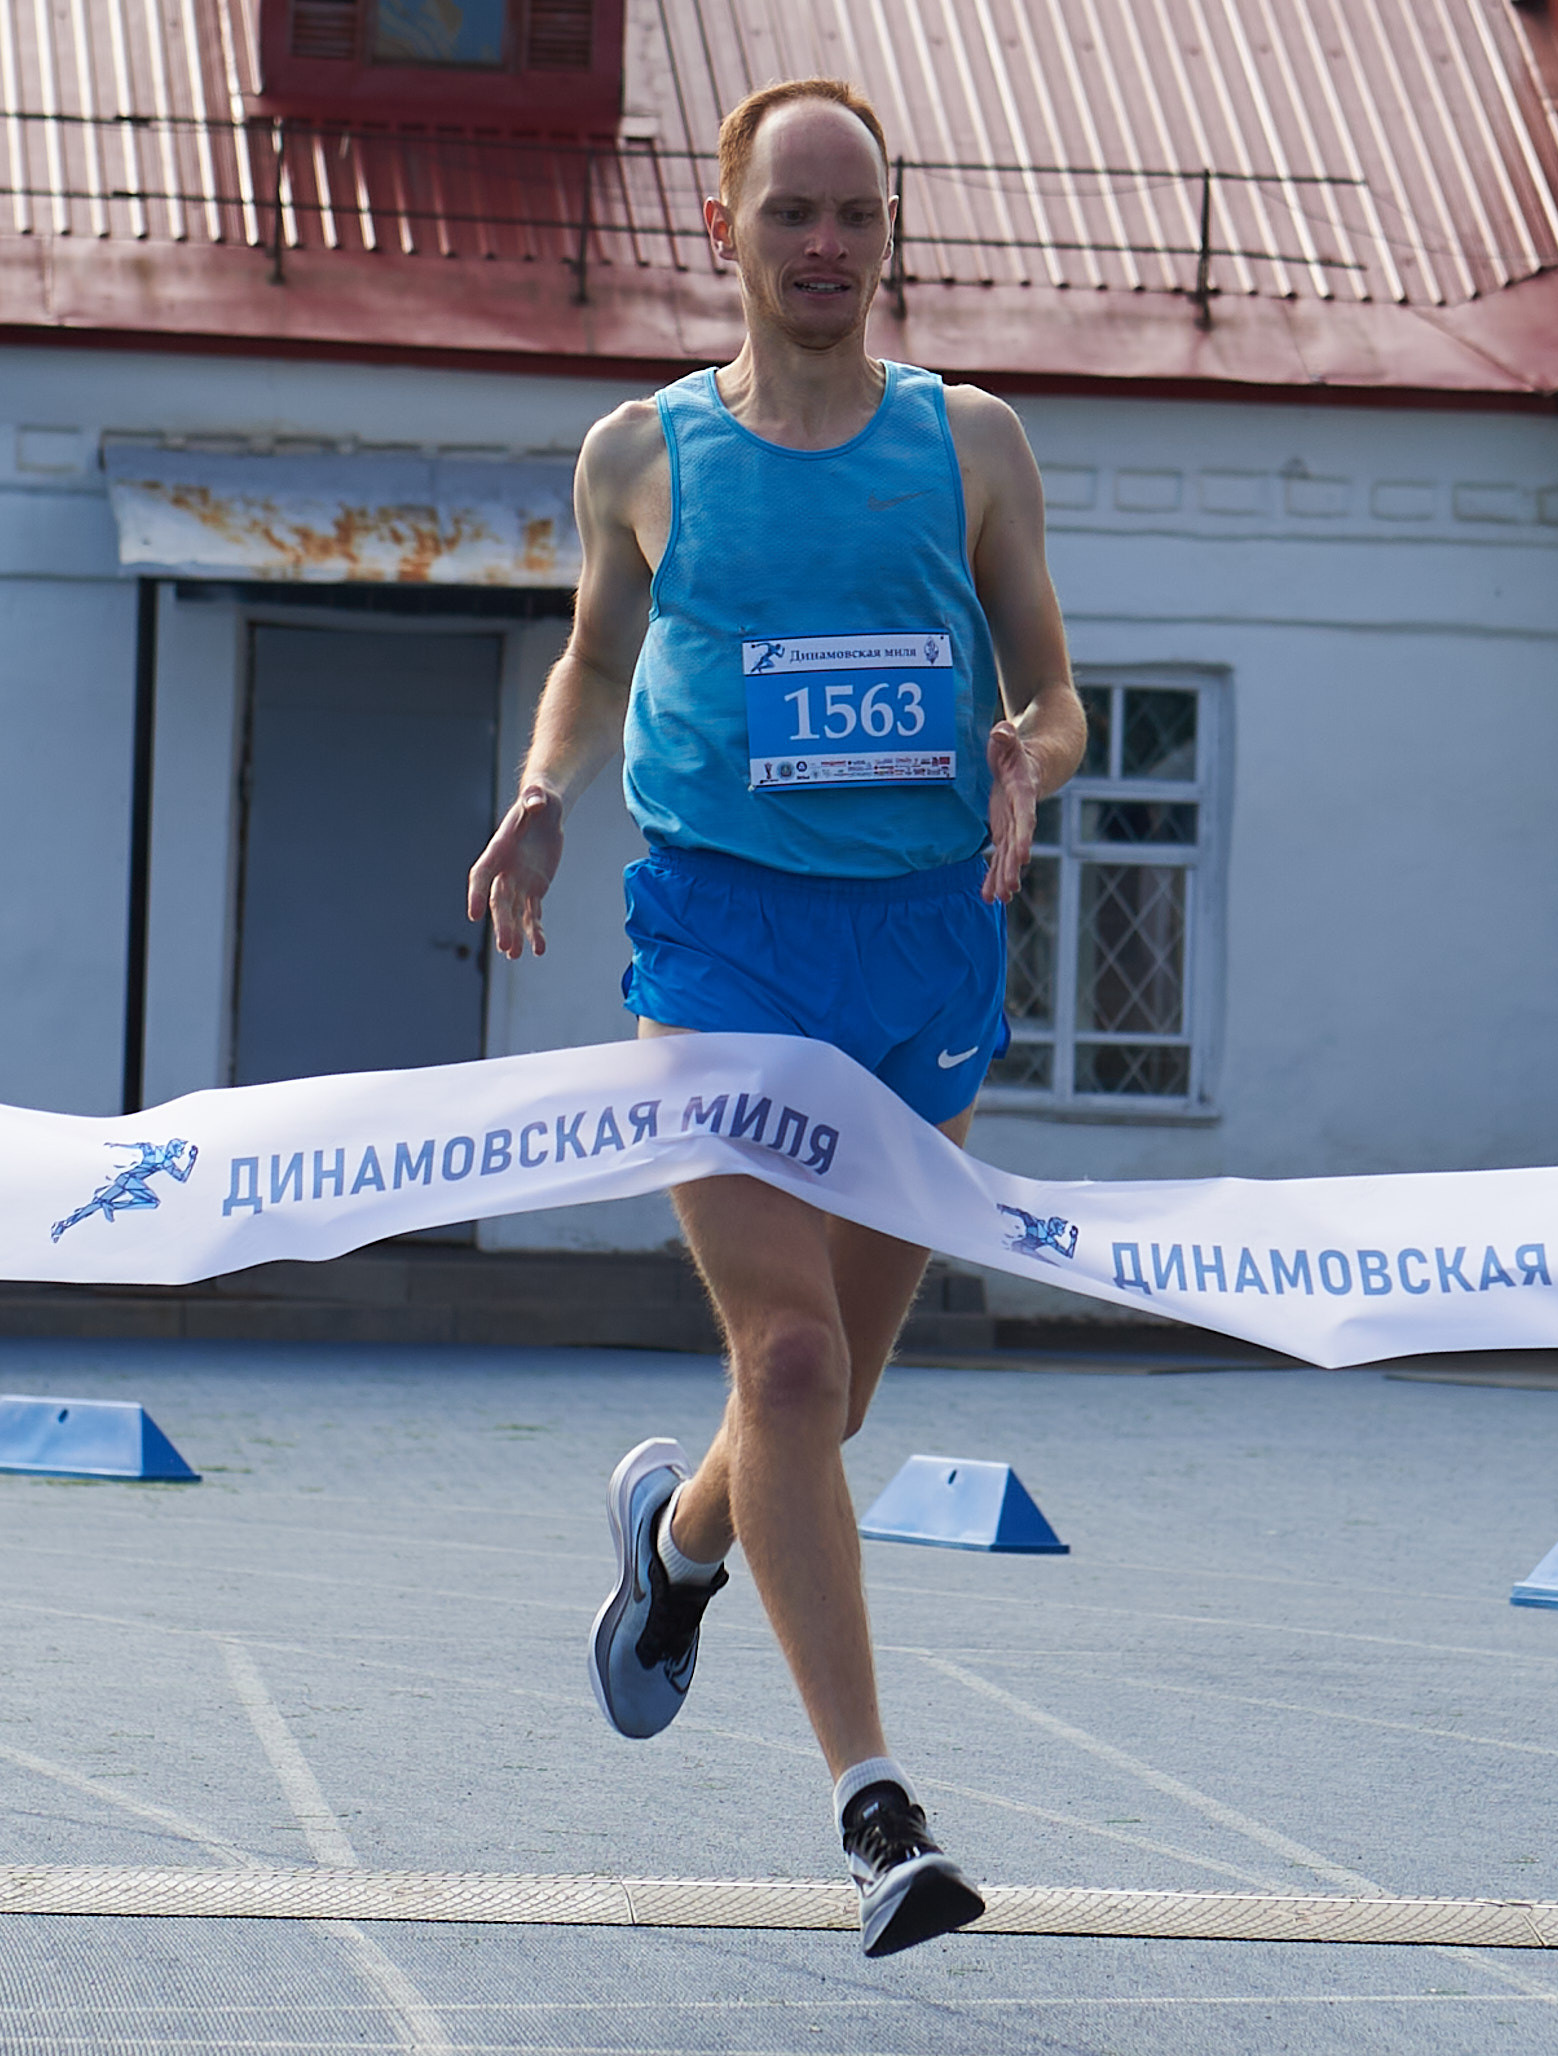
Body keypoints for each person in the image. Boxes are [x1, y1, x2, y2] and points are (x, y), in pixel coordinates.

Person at [465, 76, 1085, 1959]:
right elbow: (594, 662)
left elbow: (1061, 696)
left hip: (924, 957)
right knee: (794, 1366)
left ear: (889, 236)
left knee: (829, 1393)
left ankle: (675, 1553)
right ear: (722, 227)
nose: (827, 246)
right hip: (724, 951)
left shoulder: (968, 444)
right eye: (792, 212)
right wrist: (546, 790)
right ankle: (877, 1814)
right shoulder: (642, 454)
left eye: (857, 216)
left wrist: (1029, 753)